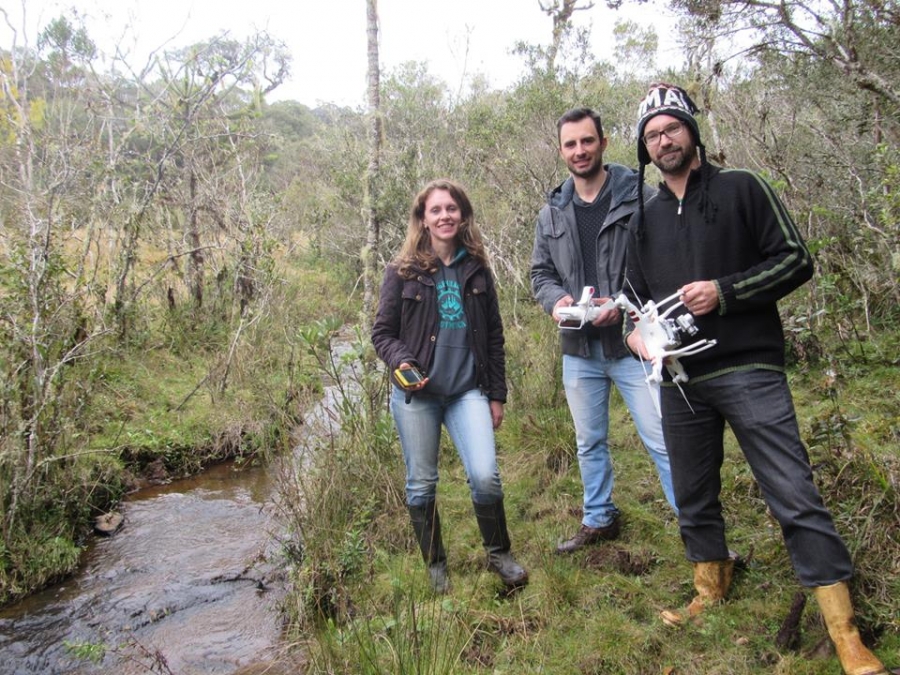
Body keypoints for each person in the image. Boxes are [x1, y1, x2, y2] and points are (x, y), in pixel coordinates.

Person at [625, 83, 888, 675]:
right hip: (679, 379)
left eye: (671, 128)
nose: (663, 140)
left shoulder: (742, 188)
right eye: (651, 135)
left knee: (792, 492)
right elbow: (633, 301)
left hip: (748, 367)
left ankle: (845, 635)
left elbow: (795, 258)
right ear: (644, 150)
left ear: (691, 132)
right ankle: (710, 587)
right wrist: (637, 338)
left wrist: (726, 291)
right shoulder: (643, 218)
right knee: (693, 494)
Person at [530, 107, 678, 555]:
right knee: (588, 441)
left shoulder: (641, 198)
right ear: (561, 151)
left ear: (603, 142)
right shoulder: (552, 213)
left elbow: (664, 265)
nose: (579, 150)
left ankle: (697, 524)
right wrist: (556, 301)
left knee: (663, 438)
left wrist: (623, 305)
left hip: (633, 344)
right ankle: (598, 517)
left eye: (587, 141)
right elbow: (541, 273)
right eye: (571, 144)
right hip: (579, 347)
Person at [372, 178, 528, 593]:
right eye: (436, 210)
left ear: (463, 215)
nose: (444, 216)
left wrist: (496, 395)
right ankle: (436, 565)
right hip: (418, 397)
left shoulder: (477, 268)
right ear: (423, 219)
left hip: (467, 392)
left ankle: (500, 555)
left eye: (451, 209)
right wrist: (401, 360)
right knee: (422, 482)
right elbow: (382, 334)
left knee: (485, 475)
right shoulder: (402, 271)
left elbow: (494, 336)